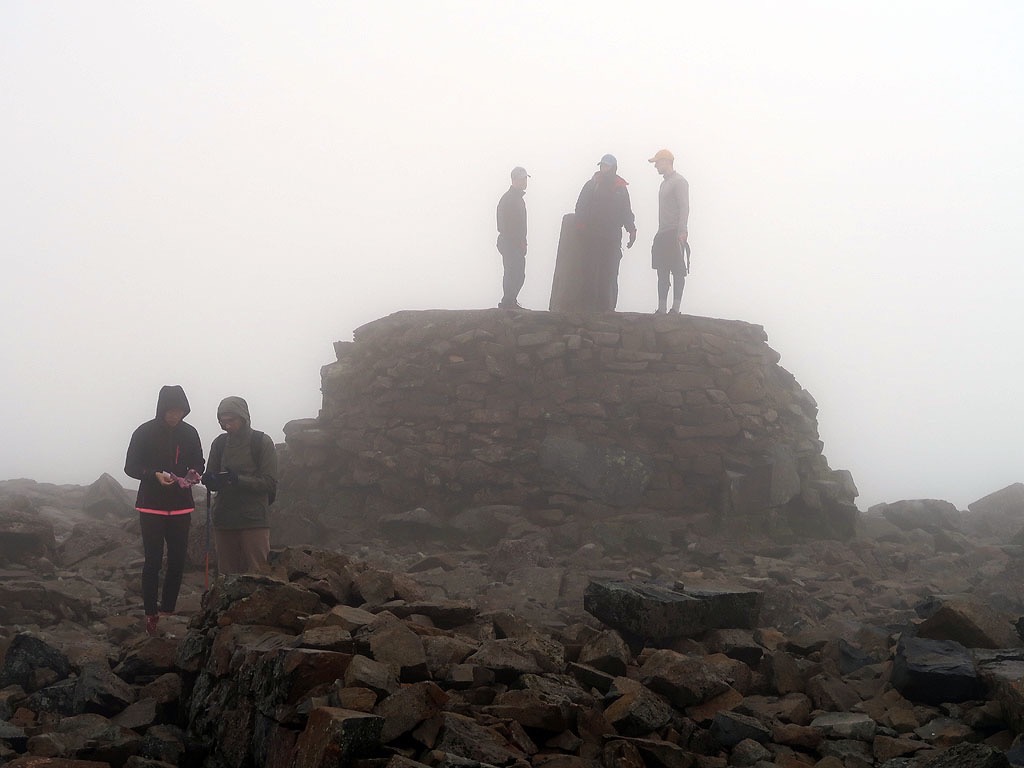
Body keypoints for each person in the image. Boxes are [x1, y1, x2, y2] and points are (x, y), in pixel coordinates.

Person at [124, 385, 205, 636]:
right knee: (153, 560)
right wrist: (153, 475)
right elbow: (130, 467)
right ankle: (151, 613)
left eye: (179, 411)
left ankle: (168, 610)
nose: (174, 415)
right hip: (151, 506)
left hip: (181, 506)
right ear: (161, 409)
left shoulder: (190, 433)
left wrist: (193, 473)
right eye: (170, 410)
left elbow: (199, 461)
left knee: (178, 560)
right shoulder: (144, 432)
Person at [202, 396, 278, 576]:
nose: (227, 425)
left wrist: (238, 480)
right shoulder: (219, 443)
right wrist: (210, 479)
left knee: (259, 574)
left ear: (243, 418)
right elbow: (211, 474)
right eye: (222, 421)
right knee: (227, 576)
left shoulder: (261, 442)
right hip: (224, 518)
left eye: (231, 420)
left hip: (253, 520)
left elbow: (269, 482)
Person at [574, 153, 637, 311]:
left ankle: (607, 308)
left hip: (612, 238)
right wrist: (580, 224)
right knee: (590, 271)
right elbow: (580, 205)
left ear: (614, 168)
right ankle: (588, 307)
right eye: (602, 166)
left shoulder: (621, 189)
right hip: (592, 236)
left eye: (606, 166)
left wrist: (631, 229)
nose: (603, 169)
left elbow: (626, 211)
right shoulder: (592, 184)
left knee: (609, 273)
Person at [649, 148, 690, 314]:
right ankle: (661, 308)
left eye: (657, 162)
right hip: (662, 232)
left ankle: (675, 308)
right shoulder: (664, 183)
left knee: (678, 270)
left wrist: (683, 230)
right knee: (662, 270)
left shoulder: (679, 181)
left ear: (666, 161)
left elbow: (684, 207)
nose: (656, 166)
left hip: (674, 231)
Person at [496, 166, 530, 309]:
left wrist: (523, 242)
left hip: (516, 243)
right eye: (521, 179)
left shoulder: (518, 199)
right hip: (509, 242)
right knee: (512, 272)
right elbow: (504, 225)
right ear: (514, 180)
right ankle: (508, 302)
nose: (524, 182)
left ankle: (510, 300)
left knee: (518, 273)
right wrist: (516, 241)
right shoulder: (508, 199)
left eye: (525, 179)